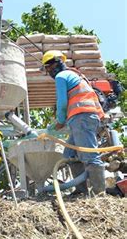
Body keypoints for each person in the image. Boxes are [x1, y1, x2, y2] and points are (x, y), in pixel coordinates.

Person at [42, 50, 106, 194]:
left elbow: (62, 102)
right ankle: (81, 190)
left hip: (81, 118)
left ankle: (100, 193)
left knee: (90, 155)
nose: (49, 72)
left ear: (53, 65)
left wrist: (60, 121)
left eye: (48, 68)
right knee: (70, 155)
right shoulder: (77, 76)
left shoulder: (61, 76)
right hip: (85, 118)